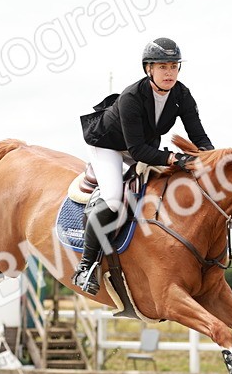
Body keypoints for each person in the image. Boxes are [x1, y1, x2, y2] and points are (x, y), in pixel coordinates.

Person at [73, 37, 215, 295]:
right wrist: (173, 158)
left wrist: (213, 159)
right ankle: (86, 266)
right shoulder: (132, 96)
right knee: (114, 199)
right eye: (163, 67)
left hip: (142, 146)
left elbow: (199, 136)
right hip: (108, 145)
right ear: (148, 69)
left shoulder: (181, 95)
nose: (169, 72)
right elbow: (137, 151)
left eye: (173, 66)